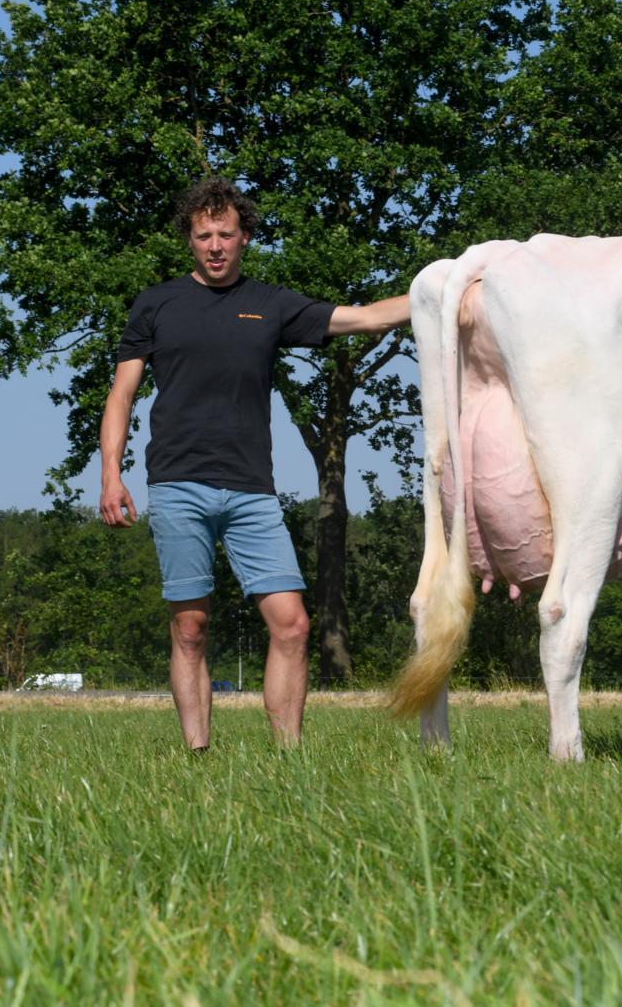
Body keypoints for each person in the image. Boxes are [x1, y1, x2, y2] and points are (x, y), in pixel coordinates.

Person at [98, 177, 409, 750]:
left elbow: (365, 318)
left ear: (245, 238)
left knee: (292, 624)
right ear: (189, 241)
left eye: (226, 234)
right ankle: (197, 754)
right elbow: (121, 395)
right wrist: (111, 474)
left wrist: (445, 290)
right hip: (177, 484)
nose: (215, 245)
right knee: (190, 628)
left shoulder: (272, 305)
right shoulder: (156, 303)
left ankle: (288, 757)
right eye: (203, 235)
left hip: (251, 491)